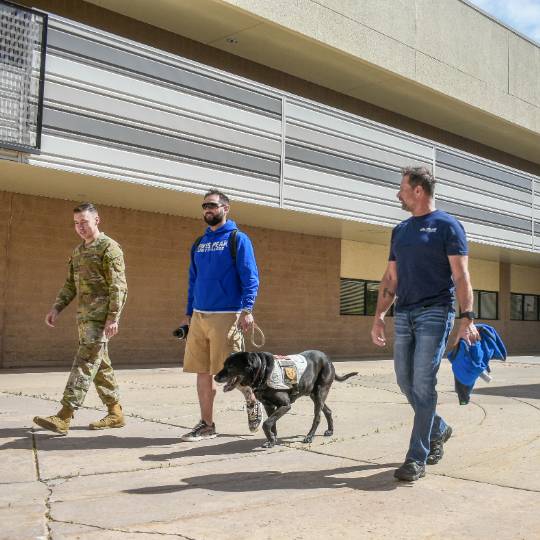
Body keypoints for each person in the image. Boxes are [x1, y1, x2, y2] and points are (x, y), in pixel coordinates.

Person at [370, 166, 479, 482]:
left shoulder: (448, 226)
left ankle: (416, 458)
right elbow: (391, 277)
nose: (398, 194)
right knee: (405, 380)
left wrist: (466, 317)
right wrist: (379, 315)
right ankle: (438, 428)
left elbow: (461, 276)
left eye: (402, 187)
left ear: (418, 190)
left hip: (436, 311)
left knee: (423, 381)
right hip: (403, 312)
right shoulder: (400, 230)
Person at [33, 203, 128, 435]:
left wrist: (113, 317)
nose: (80, 227)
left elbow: (119, 286)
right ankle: (115, 413)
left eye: (84, 222)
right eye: (76, 223)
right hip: (84, 319)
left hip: (101, 320)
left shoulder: (109, 248)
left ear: (97, 220)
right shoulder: (78, 252)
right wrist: (57, 308)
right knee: (100, 366)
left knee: (85, 363)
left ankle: (64, 415)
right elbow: (70, 285)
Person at [179, 188, 262, 441]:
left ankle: (252, 399)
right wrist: (188, 313)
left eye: (213, 205)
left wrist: (247, 309)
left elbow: (250, 277)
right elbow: (193, 280)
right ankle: (207, 424)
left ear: (226, 208)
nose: (208, 210)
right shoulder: (199, 243)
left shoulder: (238, 239)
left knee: (232, 373)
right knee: (202, 372)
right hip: (199, 316)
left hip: (226, 315)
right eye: (205, 206)